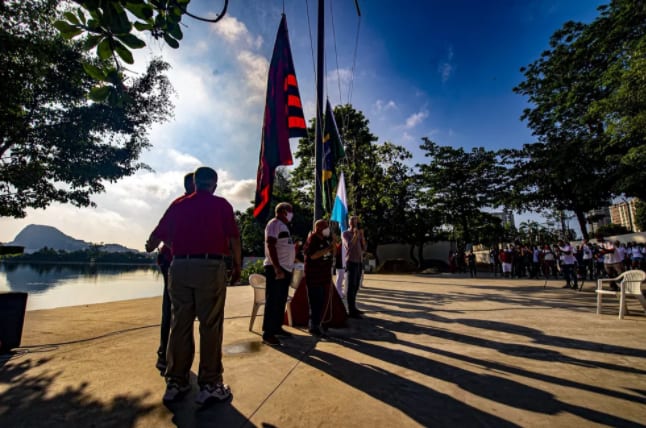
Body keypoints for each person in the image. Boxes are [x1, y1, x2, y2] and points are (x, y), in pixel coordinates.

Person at [145, 166, 241, 405]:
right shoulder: (222, 205)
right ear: (215, 184)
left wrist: (172, 242)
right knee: (210, 325)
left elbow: (153, 241)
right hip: (210, 266)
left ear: (195, 183)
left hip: (179, 267)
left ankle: (176, 381)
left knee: (180, 324)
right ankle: (209, 384)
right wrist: (237, 267)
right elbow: (234, 238)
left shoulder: (179, 205)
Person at [154, 172, 195, 375]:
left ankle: (172, 355)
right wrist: (180, 249)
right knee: (172, 308)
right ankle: (165, 355)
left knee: (179, 310)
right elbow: (160, 234)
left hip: (180, 261)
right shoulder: (180, 204)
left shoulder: (191, 204)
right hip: (173, 261)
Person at [262, 202, 296, 346]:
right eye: (290, 211)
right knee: (273, 301)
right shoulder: (275, 223)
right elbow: (270, 244)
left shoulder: (284, 226)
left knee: (281, 300)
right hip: (277, 269)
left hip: (285, 269)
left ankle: (277, 327)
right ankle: (268, 333)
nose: (291, 214)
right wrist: (277, 268)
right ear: (282, 211)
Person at [304, 219, 335, 336]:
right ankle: (313, 326)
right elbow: (313, 256)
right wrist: (327, 249)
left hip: (323, 277)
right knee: (315, 302)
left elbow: (334, 253)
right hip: (314, 277)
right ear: (319, 228)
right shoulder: (312, 239)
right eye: (326, 227)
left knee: (321, 302)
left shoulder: (326, 239)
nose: (328, 229)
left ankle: (319, 323)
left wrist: (332, 243)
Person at [342, 216, 366, 318]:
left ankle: (354, 307)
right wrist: (355, 235)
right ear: (349, 223)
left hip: (359, 262)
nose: (354, 224)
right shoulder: (346, 233)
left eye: (355, 222)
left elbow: (364, 247)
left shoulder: (359, 234)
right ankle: (350, 310)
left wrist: (362, 236)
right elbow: (349, 246)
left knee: (356, 286)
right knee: (350, 287)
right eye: (352, 222)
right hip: (351, 262)